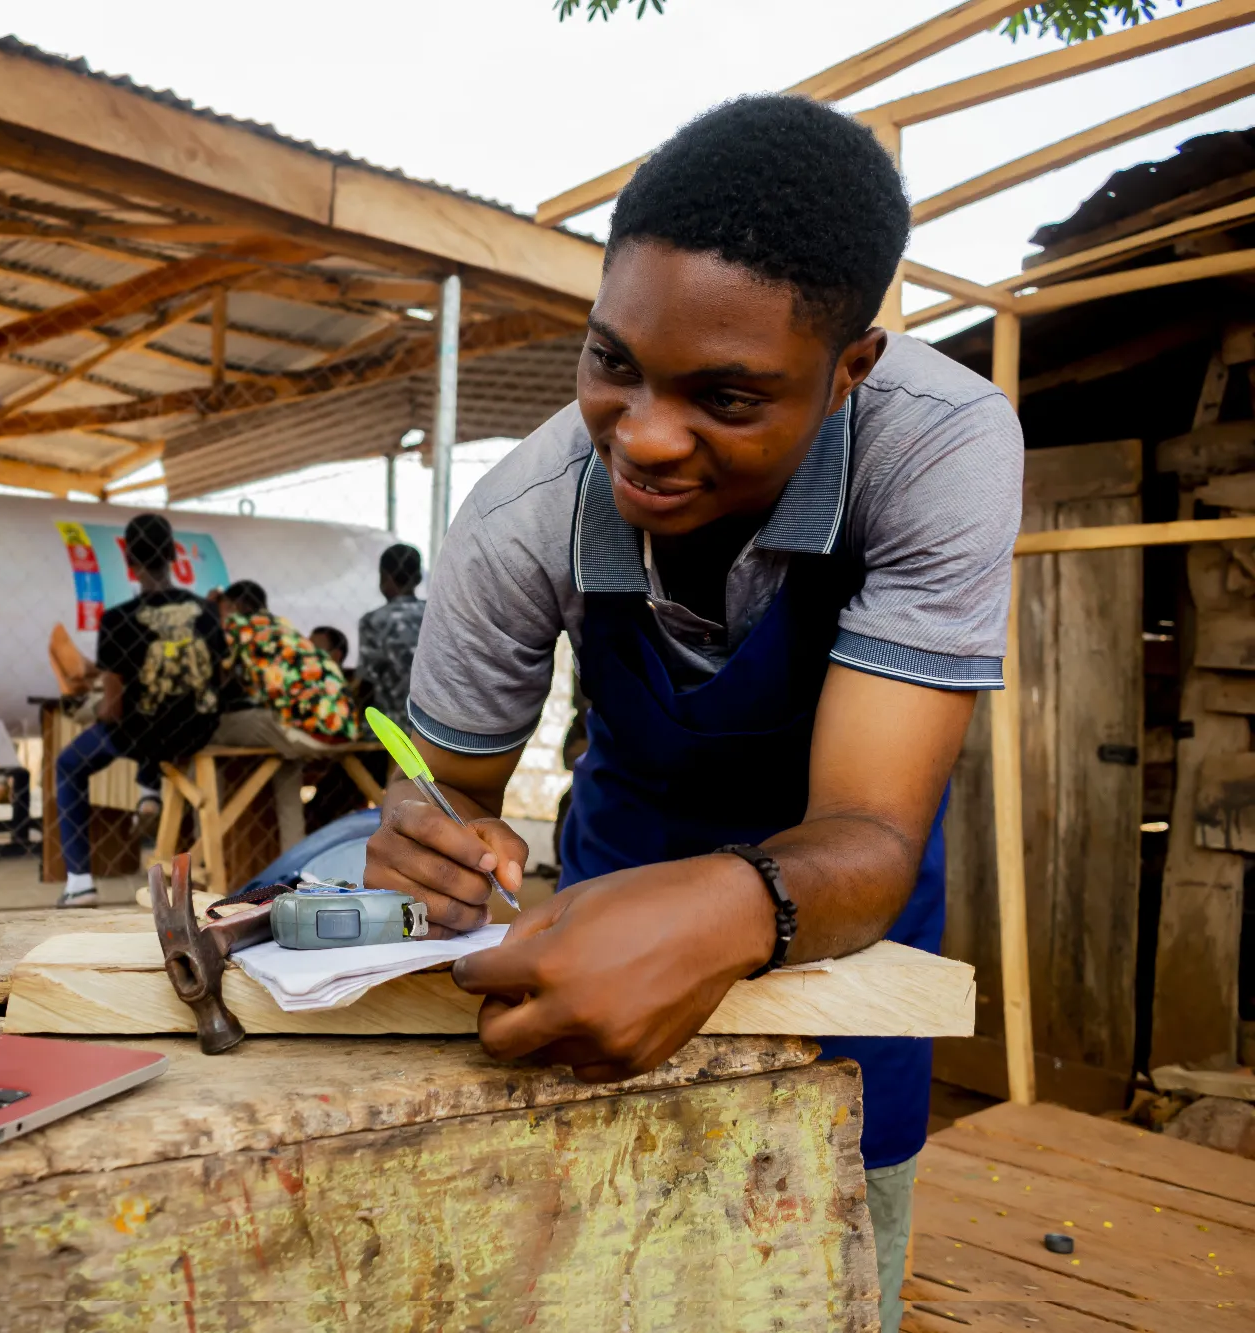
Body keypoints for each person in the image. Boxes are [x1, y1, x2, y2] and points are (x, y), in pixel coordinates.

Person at [367, 96, 1020, 1332]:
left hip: (841, 954)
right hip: (600, 923)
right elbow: (445, 790)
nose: (644, 438)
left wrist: (735, 905)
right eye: (612, 362)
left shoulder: (939, 452)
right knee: (598, 1280)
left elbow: (867, 835)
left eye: (724, 397)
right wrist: (423, 832)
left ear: (848, 374)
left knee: (826, 1272)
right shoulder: (521, 518)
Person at [54, 513, 224, 907]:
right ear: (172, 554)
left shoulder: (116, 620)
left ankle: (80, 882)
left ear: (129, 561)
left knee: (69, 763)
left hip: (139, 734)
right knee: (161, 712)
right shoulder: (208, 612)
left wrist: (97, 710)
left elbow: (113, 710)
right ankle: (149, 790)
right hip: (198, 729)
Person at [212, 580, 357, 850]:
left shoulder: (238, 625)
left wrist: (210, 610)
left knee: (210, 731)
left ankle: (204, 847)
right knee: (286, 765)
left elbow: (219, 678)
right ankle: (295, 865)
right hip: (340, 731)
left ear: (234, 607)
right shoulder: (283, 628)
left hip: (302, 730)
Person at [353, 543, 425, 722]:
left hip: (392, 724)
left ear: (384, 577)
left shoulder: (374, 621)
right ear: (417, 578)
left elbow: (366, 682)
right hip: (434, 724)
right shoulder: (436, 613)